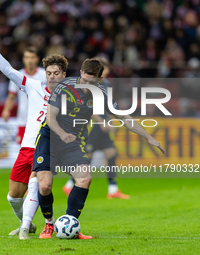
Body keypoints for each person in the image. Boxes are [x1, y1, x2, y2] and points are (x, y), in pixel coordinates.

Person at [33, 58, 165, 239]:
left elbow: (124, 117)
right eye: (85, 80)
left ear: (100, 79)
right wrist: (62, 134)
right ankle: (49, 224)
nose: (87, 85)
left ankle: (70, 225)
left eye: (92, 82)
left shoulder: (101, 93)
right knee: (46, 184)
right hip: (50, 138)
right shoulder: (64, 87)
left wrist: (149, 137)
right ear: (80, 73)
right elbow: (50, 117)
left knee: (85, 178)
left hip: (72, 142)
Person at [0, 27, 68, 239]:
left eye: (56, 74)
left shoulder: (68, 96)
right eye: (49, 73)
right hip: (26, 145)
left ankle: (26, 228)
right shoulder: (33, 86)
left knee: (36, 181)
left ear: (63, 75)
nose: (52, 77)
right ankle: (25, 222)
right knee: (13, 196)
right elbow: (8, 70)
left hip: (48, 145)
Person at [62, 57, 130, 199]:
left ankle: (113, 190)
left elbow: (109, 107)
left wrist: (110, 122)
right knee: (88, 156)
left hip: (103, 126)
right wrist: (102, 122)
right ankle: (69, 185)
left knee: (111, 154)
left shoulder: (108, 85)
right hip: (93, 126)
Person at [1, 47, 46, 145]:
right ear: (23, 59)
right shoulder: (18, 76)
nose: (30, 60)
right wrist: (6, 110)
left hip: (41, 119)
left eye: (32, 57)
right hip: (23, 119)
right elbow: (11, 96)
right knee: (22, 148)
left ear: (37, 59)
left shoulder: (45, 75)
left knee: (40, 148)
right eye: (27, 57)